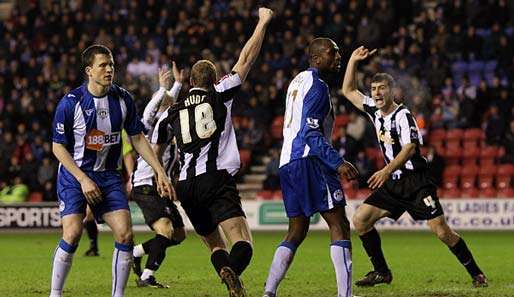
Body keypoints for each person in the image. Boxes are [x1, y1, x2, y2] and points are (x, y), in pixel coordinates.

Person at [341, 46, 487, 288]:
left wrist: (386, 170)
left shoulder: (403, 115)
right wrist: (353, 61)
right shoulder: (373, 111)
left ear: (392, 91)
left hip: (416, 182)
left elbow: (409, 148)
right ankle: (381, 272)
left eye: (381, 88)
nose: (376, 93)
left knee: (442, 231)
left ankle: (476, 273)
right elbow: (347, 90)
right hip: (394, 183)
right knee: (360, 220)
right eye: (374, 89)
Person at [152, 8, 273, 297]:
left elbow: (155, 143)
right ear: (214, 79)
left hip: (185, 186)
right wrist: (262, 22)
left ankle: (229, 276)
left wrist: (159, 175)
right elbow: (246, 59)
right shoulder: (221, 93)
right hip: (215, 179)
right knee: (242, 243)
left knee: (214, 244)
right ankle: (232, 271)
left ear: (192, 82)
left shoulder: (173, 110)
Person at [50, 44, 173, 297]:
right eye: (102, 65)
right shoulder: (71, 103)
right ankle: (55, 293)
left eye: (111, 65)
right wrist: (83, 179)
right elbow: (58, 148)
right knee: (72, 234)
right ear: (89, 70)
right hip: (75, 175)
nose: (109, 70)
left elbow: (137, 137)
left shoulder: (123, 98)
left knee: (125, 234)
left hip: (108, 176)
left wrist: (159, 170)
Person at [262, 38, 359, 297]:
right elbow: (310, 132)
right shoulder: (318, 86)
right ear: (316, 58)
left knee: (296, 230)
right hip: (310, 160)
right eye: (332, 53)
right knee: (339, 223)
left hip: (288, 162)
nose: (338, 57)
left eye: (338, 52)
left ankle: (269, 292)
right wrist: (337, 162)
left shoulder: (297, 82)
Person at [131, 61, 187, 288]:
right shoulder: (150, 125)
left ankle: (137, 251)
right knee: (165, 230)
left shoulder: (170, 127)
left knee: (179, 235)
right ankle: (146, 276)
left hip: (160, 186)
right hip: (145, 185)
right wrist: (163, 87)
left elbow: (168, 104)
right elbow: (152, 109)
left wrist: (179, 84)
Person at [83, 129, 135, 257]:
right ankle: (93, 246)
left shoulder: (119, 128)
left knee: (122, 225)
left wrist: (131, 177)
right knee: (88, 214)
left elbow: (127, 154)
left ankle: (130, 251)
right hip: (94, 177)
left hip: (112, 179)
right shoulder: (92, 126)